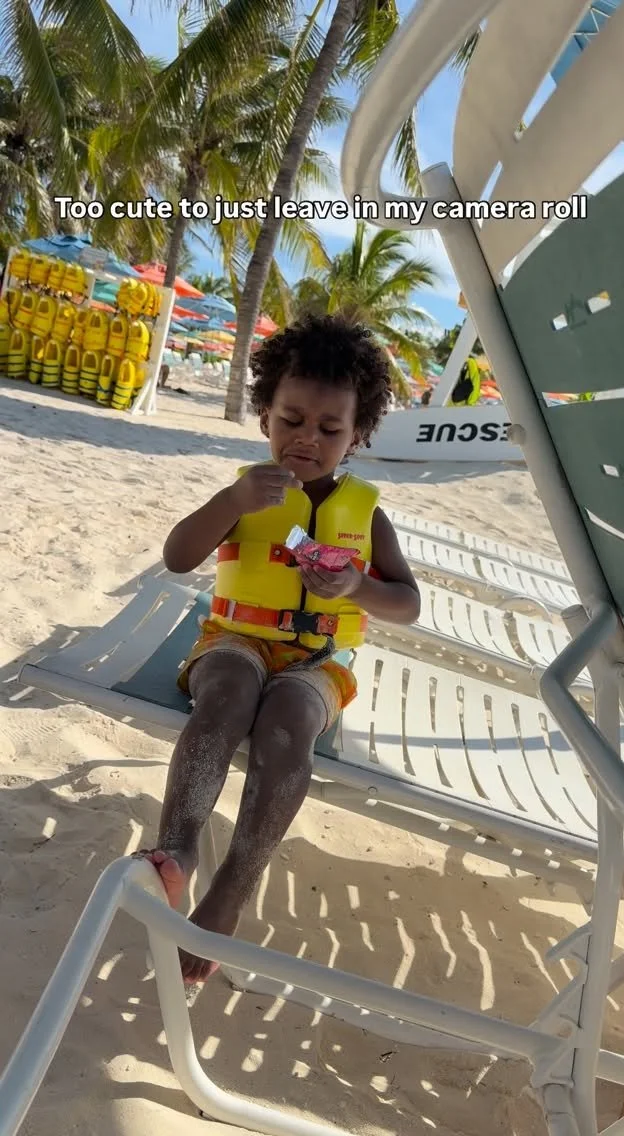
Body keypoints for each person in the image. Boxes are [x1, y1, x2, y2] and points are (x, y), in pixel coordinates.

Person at [142, 313, 421, 983]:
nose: (307, 439)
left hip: (317, 660)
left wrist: (356, 585)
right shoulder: (246, 492)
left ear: (357, 435)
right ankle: (177, 851)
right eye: (291, 420)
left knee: (289, 724)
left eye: (330, 429)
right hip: (235, 640)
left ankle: (230, 891)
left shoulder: (368, 516)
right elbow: (179, 556)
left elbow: (407, 603)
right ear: (265, 414)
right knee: (228, 696)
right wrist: (233, 501)